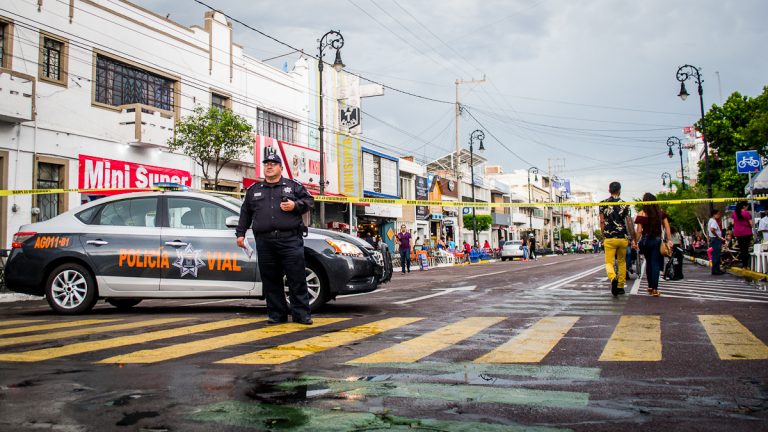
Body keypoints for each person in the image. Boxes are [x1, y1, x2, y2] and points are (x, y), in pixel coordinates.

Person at [236, 153, 315, 325]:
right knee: (270, 279)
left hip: (290, 240)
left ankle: (301, 315)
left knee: (296, 278)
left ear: (281, 168)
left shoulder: (293, 187)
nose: (269, 166)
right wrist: (240, 234)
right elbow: (245, 213)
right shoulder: (254, 190)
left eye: (273, 164)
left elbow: (309, 201)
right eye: (266, 164)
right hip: (265, 242)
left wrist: (296, 205)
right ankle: (276, 315)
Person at [633, 193, 672, 297]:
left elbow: (639, 231)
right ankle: (654, 289)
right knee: (655, 263)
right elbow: (667, 227)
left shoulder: (641, 213)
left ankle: (650, 286)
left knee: (648, 262)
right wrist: (669, 240)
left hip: (645, 242)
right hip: (656, 240)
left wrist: (635, 241)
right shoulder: (660, 212)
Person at [599, 181, 633, 296]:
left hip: (609, 237)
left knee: (609, 262)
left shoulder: (602, 204)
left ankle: (613, 278)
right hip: (622, 237)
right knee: (622, 262)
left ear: (609, 190)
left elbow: (602, 221)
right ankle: (620, 287)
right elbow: (628, 221)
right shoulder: (625, 204)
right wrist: (632, 238)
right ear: (620, 190)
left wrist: (604, 233)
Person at [732, 202, 753, 269]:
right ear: (744, 206)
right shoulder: (746, 213)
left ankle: (744, 265)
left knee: (742, 249)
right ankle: (745, 265)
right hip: (746, 233)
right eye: (747, 207)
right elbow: (751, 224)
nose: (747, 208)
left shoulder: (734, 213)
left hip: (738, 233)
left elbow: (733, 223)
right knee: (746, 249)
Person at [708, 209, 726, 275]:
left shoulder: (710, 220)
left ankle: (716, 269)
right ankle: (716, 270)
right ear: (714, 214)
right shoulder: (713, 221)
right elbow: (712, 229)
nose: (719, 215)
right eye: (718, 214)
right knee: (716, 255)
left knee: (715, 254)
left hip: (713, 239)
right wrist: (718, 236)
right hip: (716, 239)